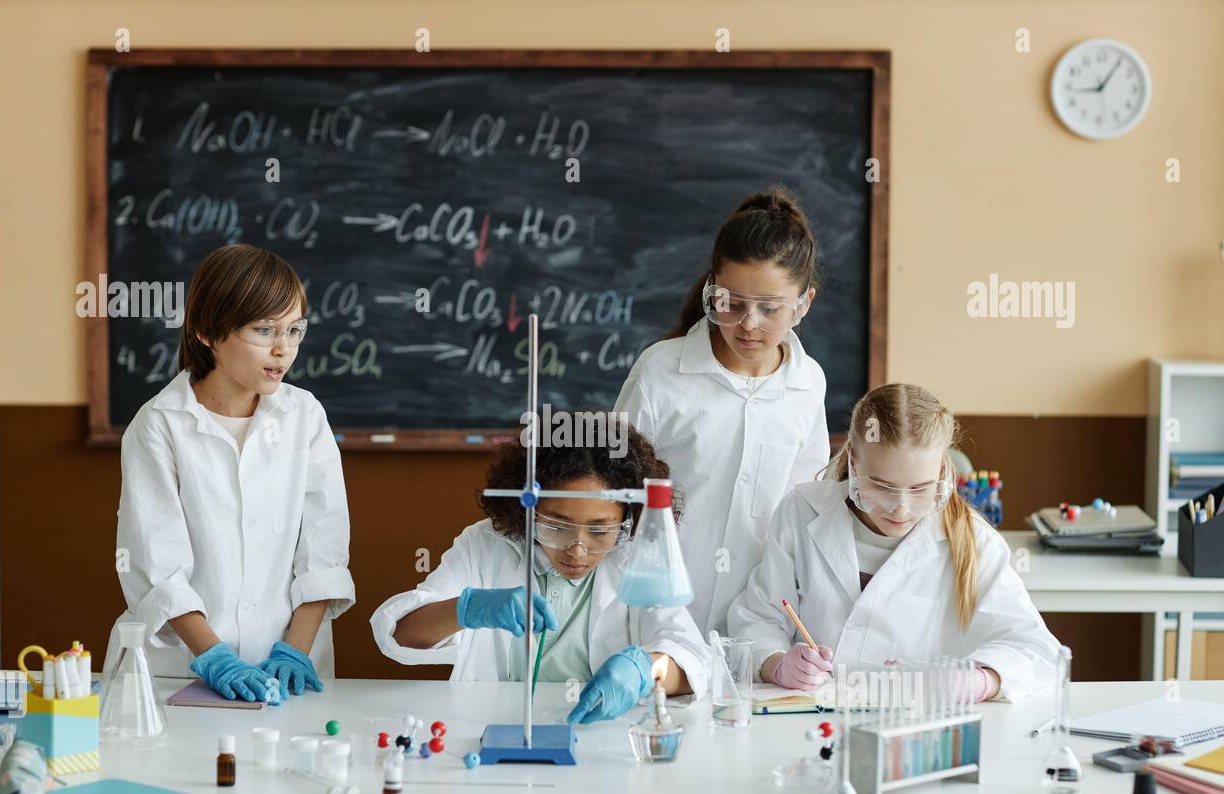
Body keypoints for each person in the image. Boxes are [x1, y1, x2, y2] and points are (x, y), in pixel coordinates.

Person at [109, 244, 354, 702]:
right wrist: (215, 657)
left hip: (289, 670)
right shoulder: (158, 424)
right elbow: (157, 567)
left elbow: (323, 552)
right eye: (264, 330)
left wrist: (295, 652)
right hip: (180, 669)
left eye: (295, 330)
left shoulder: (305, 415)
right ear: (207, 331)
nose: (284, 350)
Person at [729, 383, 1059, 701]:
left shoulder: (973, 540)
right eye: (882, 487)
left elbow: (1035, 649)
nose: (899, 507)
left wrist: (980, 681)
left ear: (942, 471)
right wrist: (775, 664)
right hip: (812, 720)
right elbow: (759, 617)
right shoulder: (801, 512)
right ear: (854, 462)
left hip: (916, 729)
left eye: (919, 489)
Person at [370, 418, 709, 722]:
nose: (578, 549)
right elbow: (399, 635)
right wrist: (468, 609)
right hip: (495, 726)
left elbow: (690, 656)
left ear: (627, 519)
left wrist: (644, 670)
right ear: (528, 509)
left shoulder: (638, 555)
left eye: (599, 530)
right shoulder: (486, 545)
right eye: (558, 526)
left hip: (605, 736)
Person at [615, 187, 829, 635]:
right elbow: (618, 493)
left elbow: (802, 510)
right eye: (731, 303)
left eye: (770, 309)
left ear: (803, 303)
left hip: (760, 623)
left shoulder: (807, 384)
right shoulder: (661, 371)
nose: (749, 324)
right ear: (712, 289)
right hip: (657, 614)